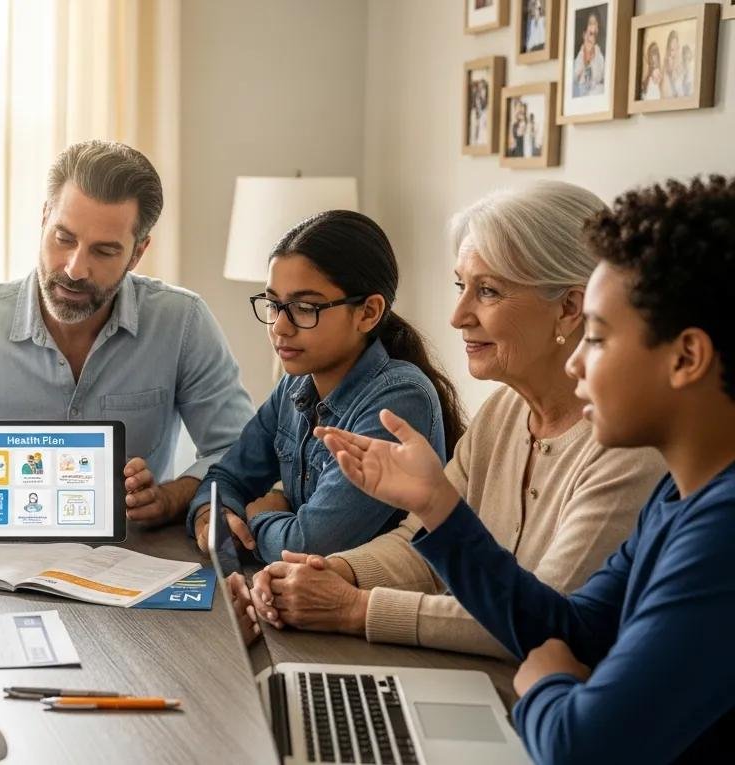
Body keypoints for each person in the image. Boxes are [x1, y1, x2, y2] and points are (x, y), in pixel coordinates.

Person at [314, 175, 735, 762]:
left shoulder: (721, 532)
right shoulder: (677, 497)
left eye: (598, 338)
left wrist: (543, 682)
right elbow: (566, 627)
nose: (579, 363)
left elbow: (581, 745)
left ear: (686, 357)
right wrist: (436, 505)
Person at [246, 182, 666, 659]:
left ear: (569, 308)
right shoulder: (504, 412)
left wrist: (355, 608)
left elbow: (546, 621)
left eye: (487, 291)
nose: (458, 316)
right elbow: (424, 543)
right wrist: (330, 573)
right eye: (460, 286)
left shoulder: (628, 447)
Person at [0, 140, 253, 528]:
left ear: (137, 253)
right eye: (64, 239)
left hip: (133, 551)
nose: (74, 269)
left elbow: (239, 451)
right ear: (44, 217)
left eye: (103, 251)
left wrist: (171, 498)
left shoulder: (182, 322)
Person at [189, 210, 462, 563]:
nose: (280, 327)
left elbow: (312, 545)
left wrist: (257, 517)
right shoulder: (294, 385)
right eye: (273, 304)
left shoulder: (398, 399)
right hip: (298, 591)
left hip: (375, 596)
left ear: (368, 312)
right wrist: (214, 515)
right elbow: (225, 477)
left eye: (304, 307)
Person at [572, 11, 606, 98]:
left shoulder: (600, 54)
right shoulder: (579, 55)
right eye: (590, 23)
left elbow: (601, 78)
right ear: (584, 34)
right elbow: (574, 79)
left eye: (595, 24)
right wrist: (586, 59)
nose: (593, 27)